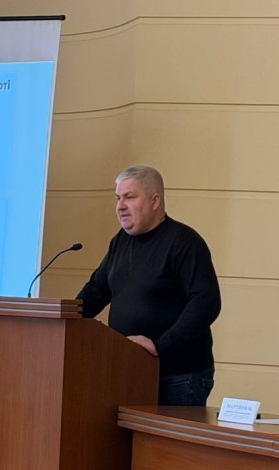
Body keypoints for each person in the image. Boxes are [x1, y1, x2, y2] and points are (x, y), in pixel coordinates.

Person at [76, 165, 221, 406]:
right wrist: (64, 319)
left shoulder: (184, 242)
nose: (120, 206)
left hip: (178, 376)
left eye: (129, 197)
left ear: (155, 201)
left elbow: (205, 302)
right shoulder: (121, 241)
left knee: (168, 434)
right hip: (131, 370)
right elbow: (96, 291)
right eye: (118, 198)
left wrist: (161, 346)